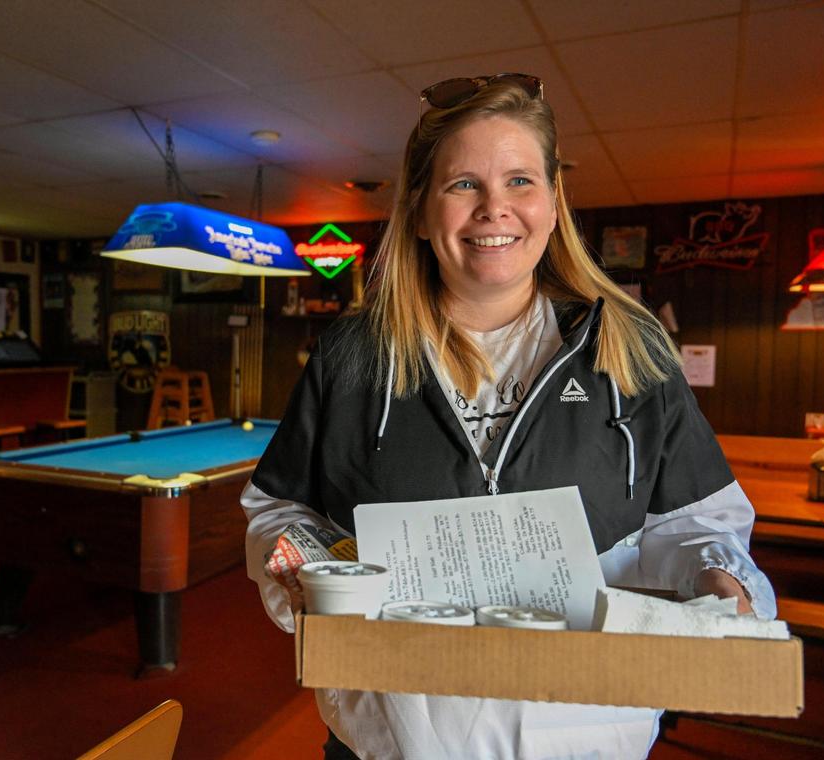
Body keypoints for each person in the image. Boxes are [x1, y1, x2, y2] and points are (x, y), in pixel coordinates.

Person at [241, 73, 776, 759]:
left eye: (519, 181)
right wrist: (302, 572)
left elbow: (694, 524)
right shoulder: (353, 355)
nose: (494, 208)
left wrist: (719, 579)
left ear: (552, 204)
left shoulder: (630, 348)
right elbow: (281, 511)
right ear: (421, 211)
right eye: (463, 184)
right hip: (391, 739)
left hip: (584, 734)